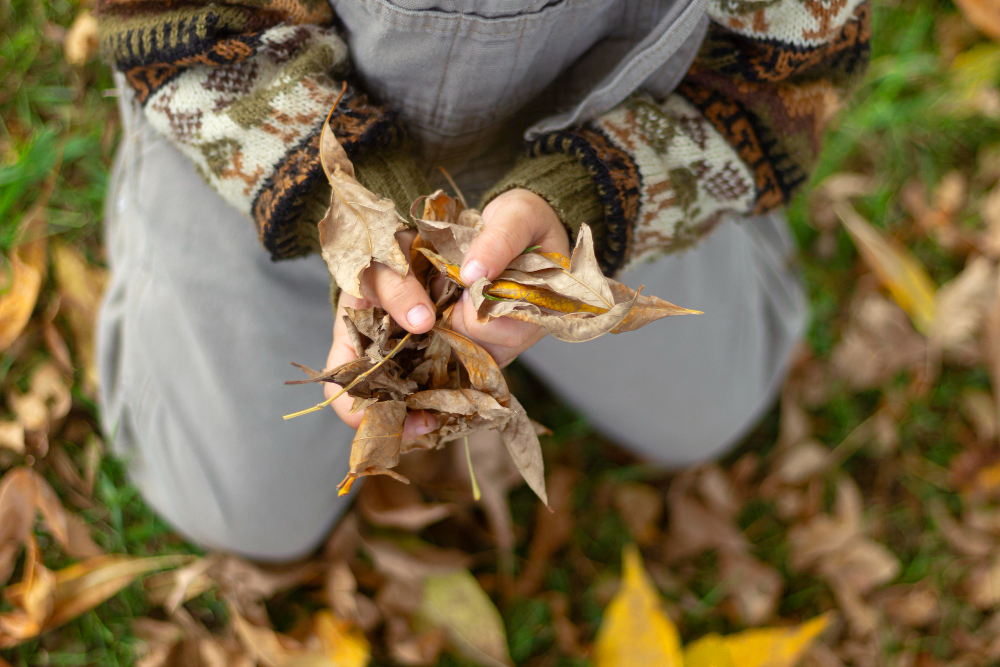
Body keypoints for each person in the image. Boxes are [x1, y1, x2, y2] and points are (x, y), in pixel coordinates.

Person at [95, 0, 870, 560]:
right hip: (271, 120)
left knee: (706, 416)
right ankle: (179, 196)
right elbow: (171, 15)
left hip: (618, 140)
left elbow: (787, 82)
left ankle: (705, 220)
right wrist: (349, 199)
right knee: (243, 511)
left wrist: (591, 200)